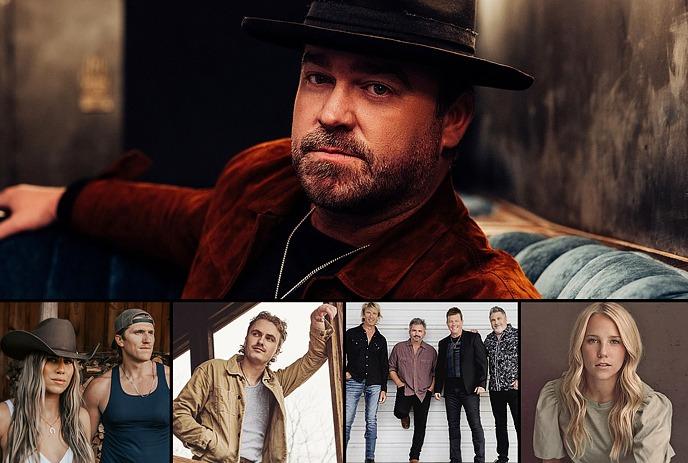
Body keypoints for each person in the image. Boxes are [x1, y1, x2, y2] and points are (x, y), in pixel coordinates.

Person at [0, 0, 540, 300]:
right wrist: (63, 201)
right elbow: (179, 218)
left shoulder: (475, 298)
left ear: (453, 120)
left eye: (378, 87)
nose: (331, 113)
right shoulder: (263, 178)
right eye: (317, 76)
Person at [172, 304, 336, 463]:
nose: (261, 341)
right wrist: (209, 441)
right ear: (246, 338)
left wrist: (317, 325)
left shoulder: (277, 384)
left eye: (270, 339)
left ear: (276, 350)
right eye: (256, 334)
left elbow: (314, 359)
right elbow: (177, 412)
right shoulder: (213, 370)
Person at [534, 302, 675, 462]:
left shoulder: (650, 408)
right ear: (579, 346)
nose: (603, 352)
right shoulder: (555, 396)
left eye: (614, 341)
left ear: (628, 348)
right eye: (593, 340)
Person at [0, 318, 97, 463]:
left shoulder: (80, 419)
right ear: (34, 365)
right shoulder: (6, 415)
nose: (61, 369)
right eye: (52, 360)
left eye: (68, 361)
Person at [83, 309, 170, 462]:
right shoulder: (100, 387)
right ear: (120, 340)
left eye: (151, 333)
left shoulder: (169, 379)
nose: (147, 340)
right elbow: (80, 445)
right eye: (139, 332)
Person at [434, 307, 487, 463]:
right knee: (453, 427)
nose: (453, 324)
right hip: (450, 390)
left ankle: (480, 459)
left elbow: (482, 361)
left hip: (469, 389)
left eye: (456, 321)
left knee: (475, 425)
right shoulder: (443, 343)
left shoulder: (473, 338)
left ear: (461, 322)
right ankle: (455, 460)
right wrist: (438, 388)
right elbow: (439, 368)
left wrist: (482, 383)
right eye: (451, 321)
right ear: (447, 323)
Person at [345, 302, 389, 463]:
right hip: (353, 381)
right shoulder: (351, 334)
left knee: (371, 421)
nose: (371, 316)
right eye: (368, 313)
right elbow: (339, 353)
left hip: (374, 383)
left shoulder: (381, 339)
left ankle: (369, 458)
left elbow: (384, 365)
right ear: (363, 314)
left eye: (375, 314)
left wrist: (383, 388)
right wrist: (344, 372)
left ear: (378, 317)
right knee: (347, 420)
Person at [389, 318, 437, 463]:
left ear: (424, 333)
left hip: (424, 392)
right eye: (414, 330)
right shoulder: (399, 348)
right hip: (405, 389)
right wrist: (398, 383)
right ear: (409, 331)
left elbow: (435, 372)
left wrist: (431, 388)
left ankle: (414, 457)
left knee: (420, 425)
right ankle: (405, 416)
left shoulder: (431, 351)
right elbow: (391, 368)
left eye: (420, 331)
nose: (417, 333)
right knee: (399, 411)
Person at [483, 306, 519, 463]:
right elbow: (479, 358)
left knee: (520, 423)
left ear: (505, 319)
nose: (496, 322)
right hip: (495, 389)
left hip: (513, 389)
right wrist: (473, 336)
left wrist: (521, 379)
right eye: (493, 320)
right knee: (500, 425)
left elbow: (530, 356)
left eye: (498, 318)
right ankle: (502, 458)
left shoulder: (517, 335)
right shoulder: (489, 340)